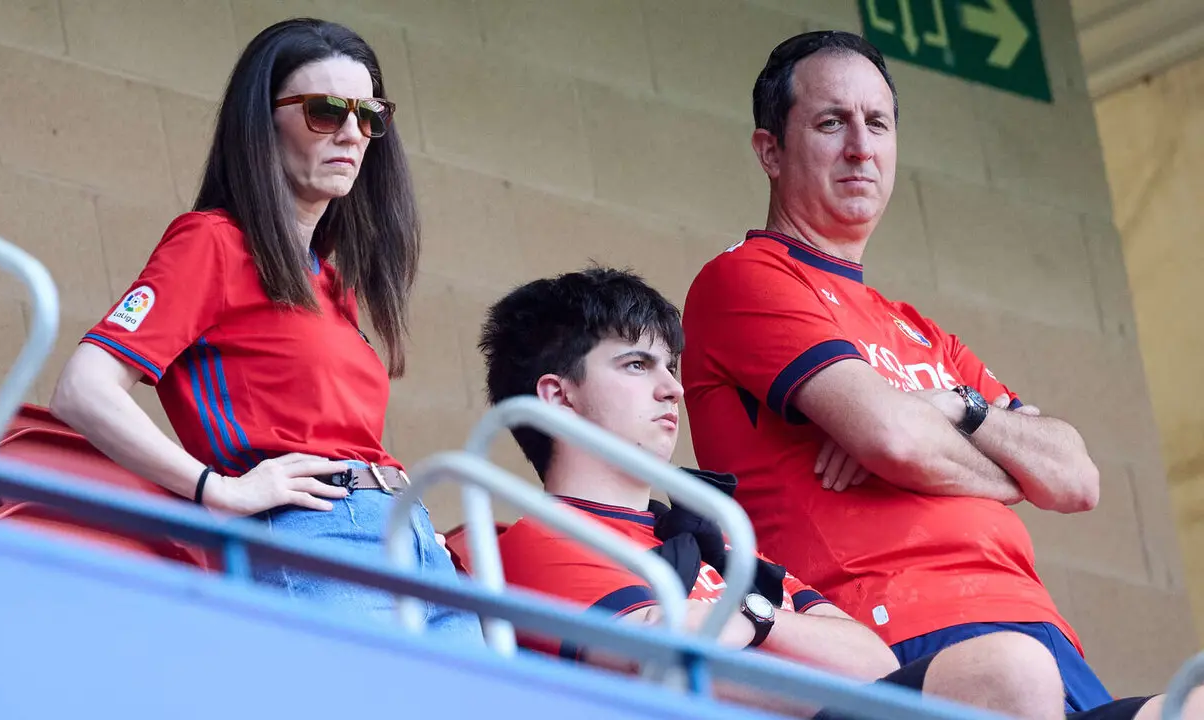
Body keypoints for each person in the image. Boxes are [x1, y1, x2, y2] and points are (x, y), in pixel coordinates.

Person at [464, 267, 1167, 720]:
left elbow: (873, 660)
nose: (671, 388)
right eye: (636, 365)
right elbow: (658, 658)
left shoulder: (713, 540)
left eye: (672, 366)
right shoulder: (525, 543)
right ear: (556, 397)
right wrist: (762, 619)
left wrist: (745, 618)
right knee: (1008, 668)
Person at [679, 29, 1120, 710]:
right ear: (771, 150)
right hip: (898, 635)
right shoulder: (746, 277)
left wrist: (955, 408)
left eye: (877, 123)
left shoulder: (920, 331)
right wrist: (1002, 467)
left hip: (1041, 629)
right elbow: (894, 439)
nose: (861, 146)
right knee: (1016, 672)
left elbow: (1073, 478)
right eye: (832, 122)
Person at [50, 17, 480, 644]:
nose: (352, 134)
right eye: (325, 111)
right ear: (262, 121)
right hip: (316, 535)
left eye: (369, 116)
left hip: (408, 539)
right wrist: (216, 490)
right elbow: (83, 389)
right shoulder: (213, 243)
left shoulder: (331, 281)